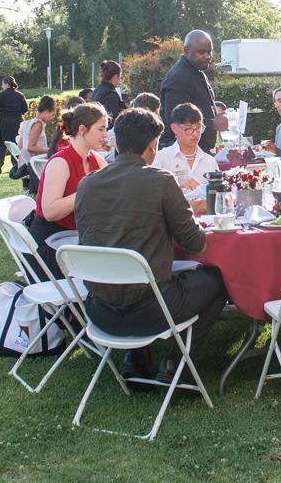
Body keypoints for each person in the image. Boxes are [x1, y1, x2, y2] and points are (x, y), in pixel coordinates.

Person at [74, 107, 224, 382]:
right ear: (153, 145)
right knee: (217, 279)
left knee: (135, 272)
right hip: (152, 309)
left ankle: (137, 356)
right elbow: (196, 243)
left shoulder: (86, 185)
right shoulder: (160, 181)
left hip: (99, 310)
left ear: (116, 142)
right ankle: (177, 364)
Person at [29, 103, 110, 276]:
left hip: (79, 239)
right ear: (82, 129)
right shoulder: (60, 162)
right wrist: (85, 192)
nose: (105, 135)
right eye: (101, 129)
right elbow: (50, 211)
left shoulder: (96, 160)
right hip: (52, 245)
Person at [159, 30, 218, 151]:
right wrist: (213, 124)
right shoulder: (179, 78)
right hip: (180, 154)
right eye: (201, 52)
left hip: (196, 150)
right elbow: (175, 121)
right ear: (186, 50)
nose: (207, 56)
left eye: (209, 51)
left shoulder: (195, 71)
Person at [151, 103, 220, 203]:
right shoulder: (161, 158)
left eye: (198, 127)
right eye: (188, 128)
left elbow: (218, 196)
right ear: (174, 128)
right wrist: (175, 182)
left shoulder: (209, 161)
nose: (195, 133)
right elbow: (153, 190)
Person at [0, 76, 28, 175]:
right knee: (16, 143)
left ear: (7, 84)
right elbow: (25, 109)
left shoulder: (1, 95)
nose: (1, 86)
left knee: (2, 143)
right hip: (18, 122)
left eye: (2, 84)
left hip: (5, 122)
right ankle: (15, 164)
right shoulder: (20, 95)